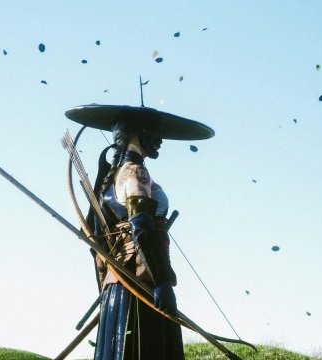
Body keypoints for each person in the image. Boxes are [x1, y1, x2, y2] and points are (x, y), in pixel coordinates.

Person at [65, 105, 214, 360]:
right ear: (135, 132)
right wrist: (163, 281)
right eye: (154, 132)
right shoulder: (135, 172)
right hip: (140, 282)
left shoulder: (112, 177)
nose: (160, 140)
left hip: (120, 284)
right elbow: (141, 227)